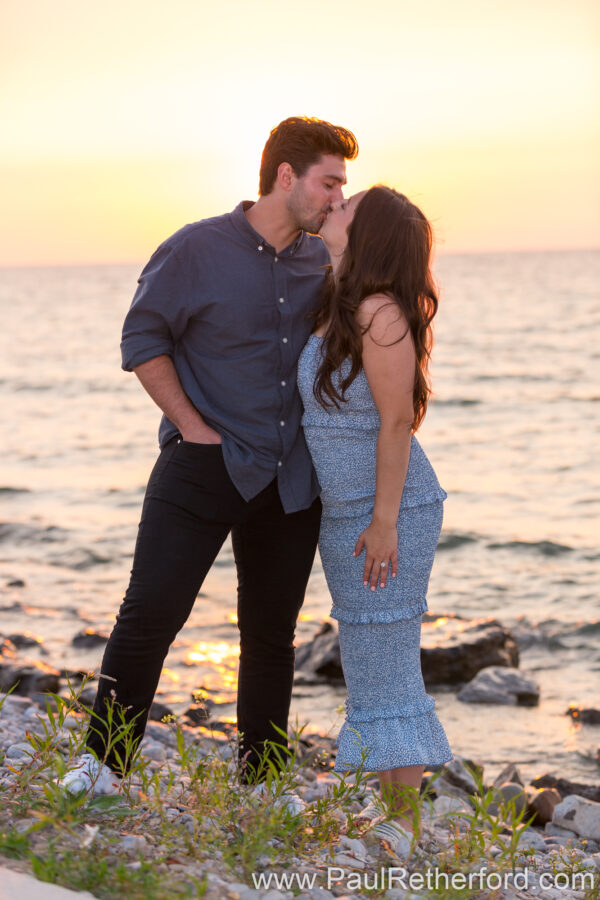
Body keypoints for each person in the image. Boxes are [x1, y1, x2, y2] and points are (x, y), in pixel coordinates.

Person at [61, 116, 358, 796]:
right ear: (286, 176)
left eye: (342, 185)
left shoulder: (324, 259)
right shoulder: (195, 248)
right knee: (151, 614)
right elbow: (142, 339)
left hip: (291, 478)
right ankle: (102, 766)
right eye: (330, 182)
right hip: (203, 464)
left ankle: (261, 780)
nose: (339, 198)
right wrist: (192, 426)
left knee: (271, 636)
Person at [297, 186, 453, 844]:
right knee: (368, 660)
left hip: (389, 511)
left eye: (347, 206)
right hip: (350, 515)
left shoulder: (380, 312)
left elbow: (395, 421)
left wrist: (385, 520)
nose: (333, 206)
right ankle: (394, 816)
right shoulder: (340, 305)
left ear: (372, 236)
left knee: (389, 660)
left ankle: (406, 827)